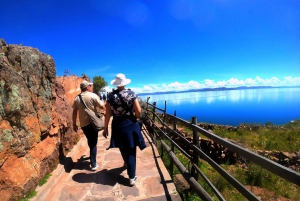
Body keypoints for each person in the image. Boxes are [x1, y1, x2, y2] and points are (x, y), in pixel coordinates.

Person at [103, 73, 146, 186]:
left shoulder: (110, 96)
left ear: (116, 84)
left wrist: (105, 127)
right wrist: (134, 118)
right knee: (131, 149)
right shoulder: (131, 94)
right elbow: (139, 110)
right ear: (125, 83)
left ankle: (127, 164)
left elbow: (108, 114)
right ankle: (132, 177)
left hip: (117, 123)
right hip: (129, 123)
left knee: (122, 146)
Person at [72, 80, 105, 171]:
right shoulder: (93, 96)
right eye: (90, 86)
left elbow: (74, 113)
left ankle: (92, 156)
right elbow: (102, 107)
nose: (91, 87)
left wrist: (74, 124)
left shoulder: (77, 98)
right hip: (93, 123)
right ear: (87, 87)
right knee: (93, 143)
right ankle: (93, 164)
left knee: (90, 140)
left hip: (83, 124)